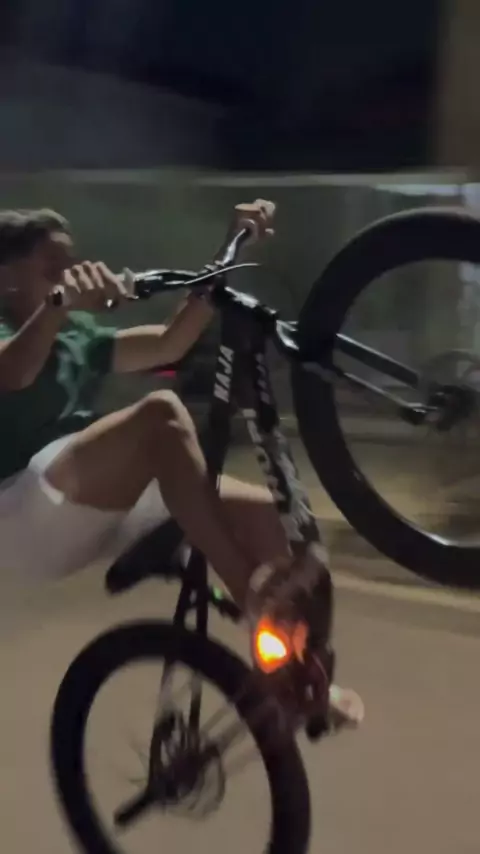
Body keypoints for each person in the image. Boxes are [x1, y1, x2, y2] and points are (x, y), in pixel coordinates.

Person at [0, 201, 363, 728]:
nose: (68, 274)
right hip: (23, 517)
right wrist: (60, 302)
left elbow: (172, 341)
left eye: (70, 264)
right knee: (160, 417)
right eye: (50, 266)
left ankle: (293, 678)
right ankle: (251, 596)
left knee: (275, 518)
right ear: (7, 277)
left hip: (89, 499)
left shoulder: (77, 334)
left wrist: (228, 249)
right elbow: (13, 372)